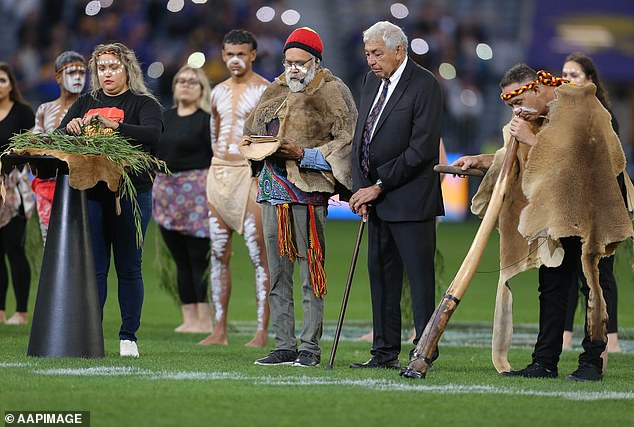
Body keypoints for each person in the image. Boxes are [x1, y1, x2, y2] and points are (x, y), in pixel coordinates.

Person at [453, 64, 631, 381]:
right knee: (551, 286)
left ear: (535, 89)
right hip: (558, 210)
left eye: (516, 103)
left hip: (595, 208)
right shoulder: (536, 117)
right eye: (509, 106)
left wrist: (532, 142)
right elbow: (516, 156)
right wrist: (479, 161)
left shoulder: (581, 103)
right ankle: (544, 362)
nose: (515, 112)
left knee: (593, 285)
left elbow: (590, 158)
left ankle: (591, 363)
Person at [243, 27, 357, 367]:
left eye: (300, 62)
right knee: (276, 272)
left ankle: (309, 347)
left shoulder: (334, 91)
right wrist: (260, 146)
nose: (292, 68)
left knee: (312, 272)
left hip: (309, 189)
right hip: (271, 189)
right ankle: (284, 344)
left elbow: (347, 141)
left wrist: (304, 155)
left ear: (316, 62)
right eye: (288, 61)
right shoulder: (275, 88)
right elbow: (251, 130)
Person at [348, 21, 444, 369]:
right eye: (368, 54)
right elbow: (363, 136)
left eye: (377, 53)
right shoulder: (371, 81)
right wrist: (360, 186)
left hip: (411, 200)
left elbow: (421, 150)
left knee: (420, 283)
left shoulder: (425, 85)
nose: (371, 60)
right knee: (382, 278)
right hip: (376, 202)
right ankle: (383, 352)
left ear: (399, 50)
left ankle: (424, 353)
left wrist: (379, 184)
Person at [59, 42, 163, 357]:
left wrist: (113, 125)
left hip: (132, 193)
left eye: (113, 67)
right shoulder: (85, 101)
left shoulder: (144, 103)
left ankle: (128, 336)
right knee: (95, 268)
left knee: (129, 267)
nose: (107, 73)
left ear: (128, 69)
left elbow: (153, 135)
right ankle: (92, 333)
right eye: (101, 68)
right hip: (92, 194)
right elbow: (58, 135)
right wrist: (72, 128)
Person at [198, 29, 271, 347]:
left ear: (253, 55)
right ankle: (219, 330)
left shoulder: (266, 91)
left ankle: (262, 332)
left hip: (249, 174)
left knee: (259, 255)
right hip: (219, 173)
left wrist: (260, 174)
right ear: (223, 55)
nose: (235, 60)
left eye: (241, 54)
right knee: (218, 253)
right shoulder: (217, 92)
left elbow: (271, 138)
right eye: (229, 54)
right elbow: (214, 133)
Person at [561, 52, 623, 354]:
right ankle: (564, 336)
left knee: (600, 271)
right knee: (568, 270)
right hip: (570, 204)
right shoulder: (560, 113)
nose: (566, 79)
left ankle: (610, 339)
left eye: (573, 74)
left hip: (601, 205)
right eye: (564, 74)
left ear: (589, 79)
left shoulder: (602, 115)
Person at [152, 65, 213, 334]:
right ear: (174, 86)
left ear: (202, 89)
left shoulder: (207, 120)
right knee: (179, 257)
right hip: (167, 193)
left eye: (192, 81)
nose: (186, 85)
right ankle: (189, 318)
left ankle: (205, 318)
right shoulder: (164, 117)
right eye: (181, 81)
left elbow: (215, 158)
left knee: (198, 257)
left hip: (197, 194)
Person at [32, 51, 87, 243]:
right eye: (72, 72)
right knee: (50, 243)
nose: (78, 78)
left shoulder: (92, 108)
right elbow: (35, 143)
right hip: (47, 183)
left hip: (80, 186)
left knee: (79, 245)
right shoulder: (44, 109)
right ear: (58, 77)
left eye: (82, 73)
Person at [0, 62, 35, 325]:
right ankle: (0, 310)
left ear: (11, 84)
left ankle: (21, 311)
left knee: (14, 247)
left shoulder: (23, 112)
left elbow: (31, 148)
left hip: (14, 186)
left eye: (2, 80)